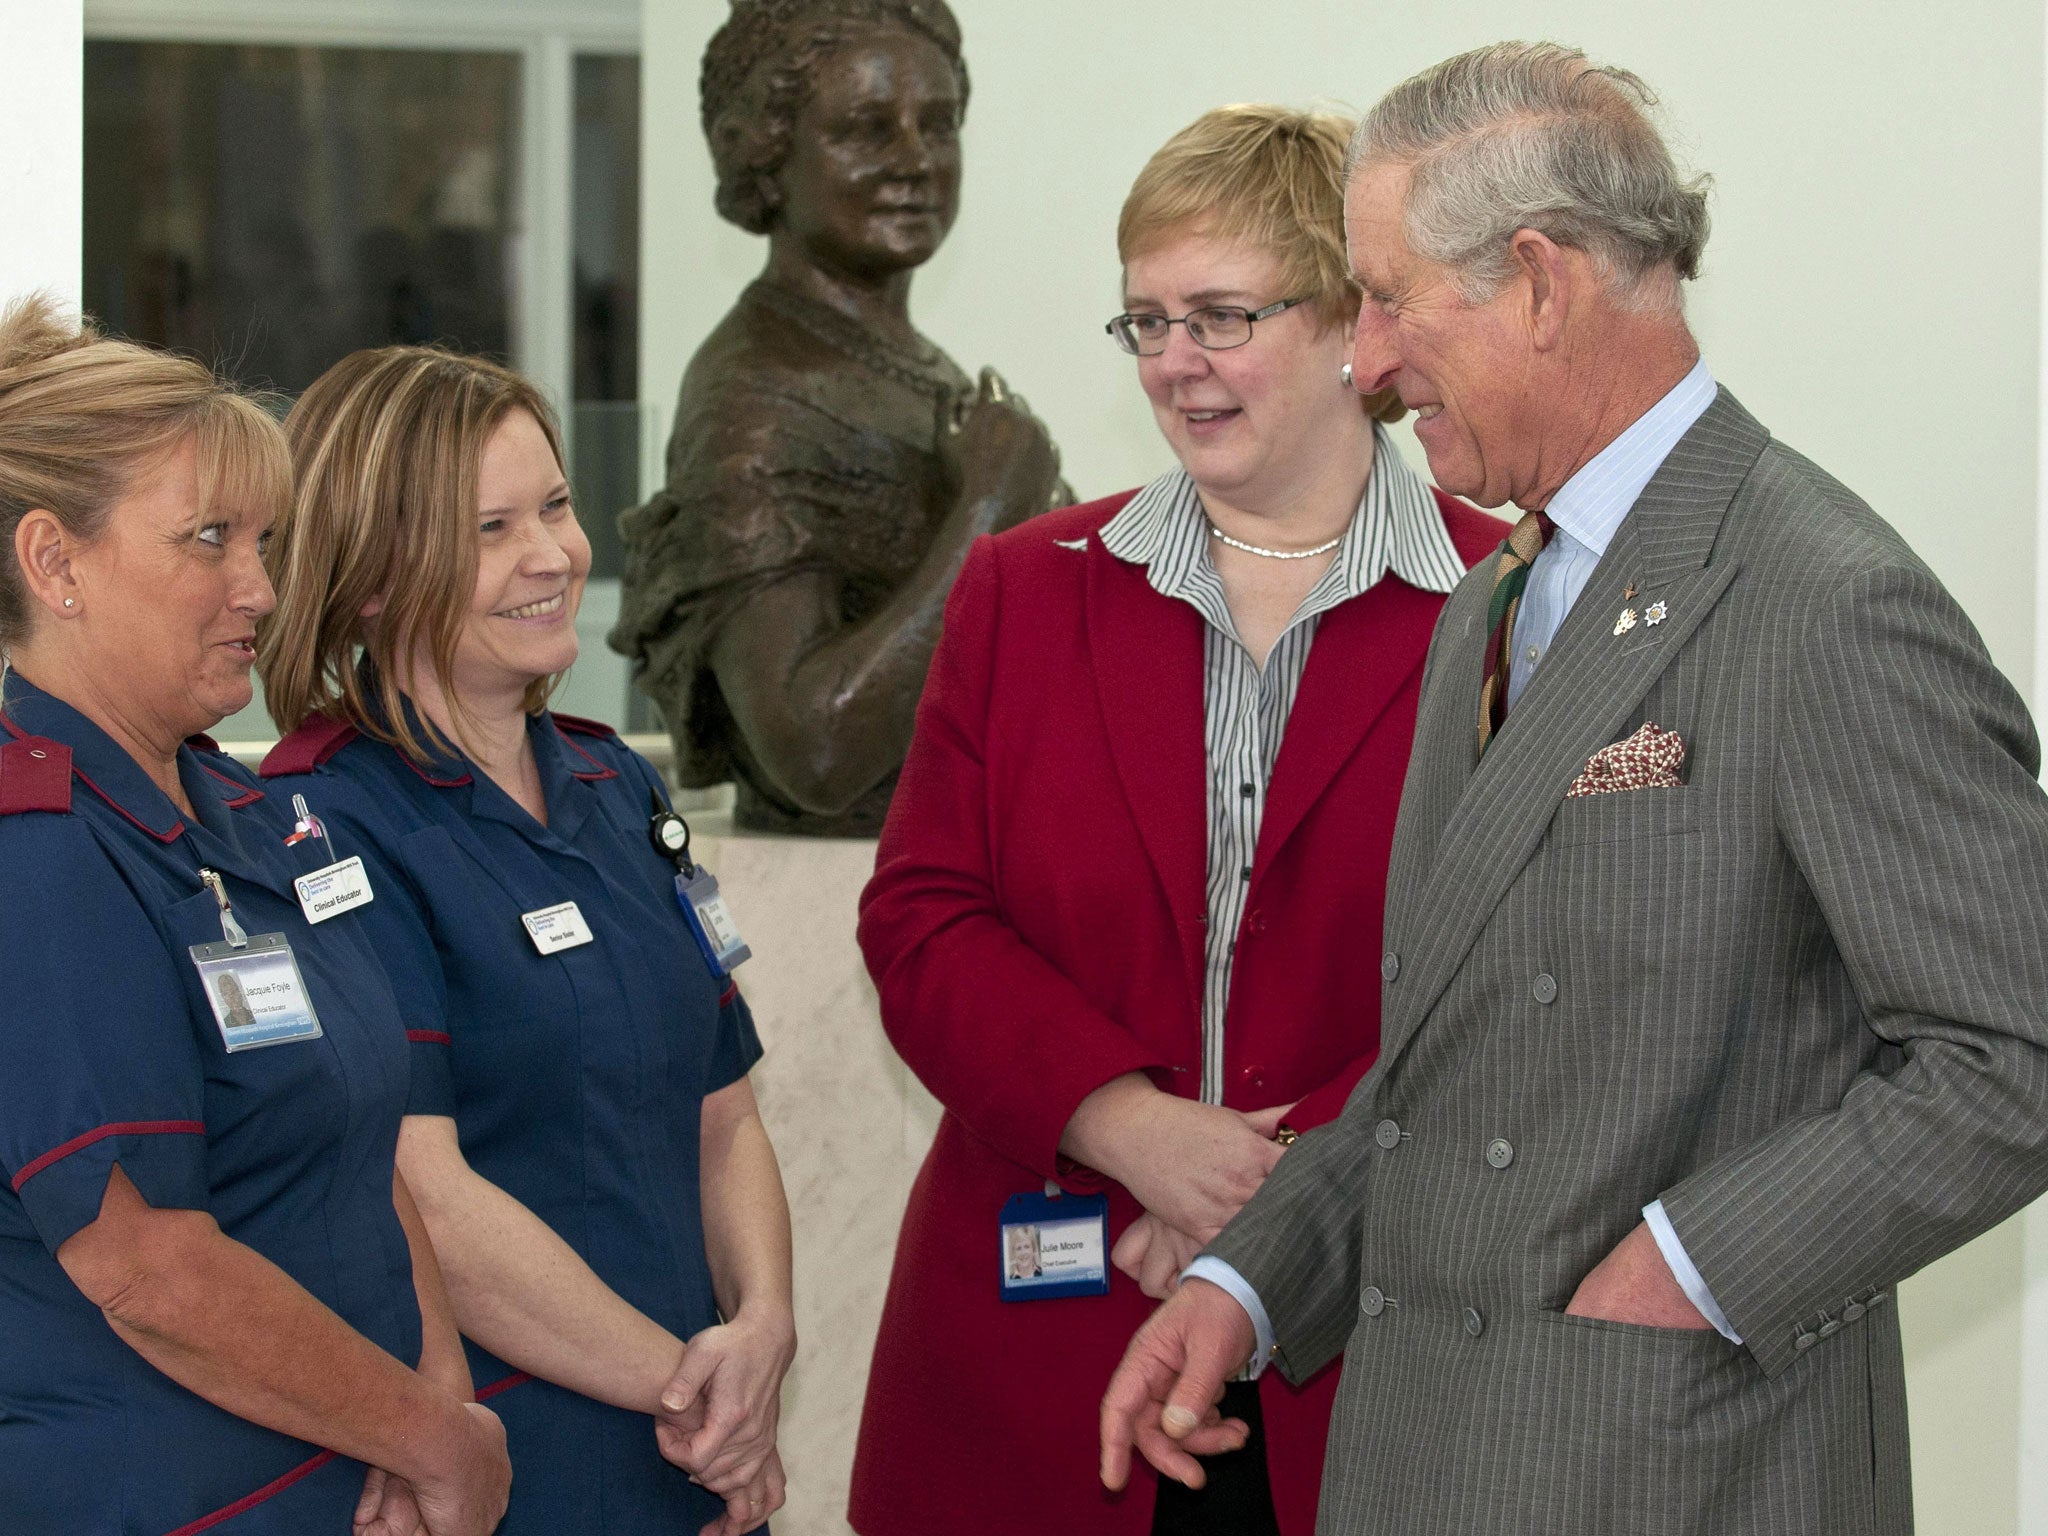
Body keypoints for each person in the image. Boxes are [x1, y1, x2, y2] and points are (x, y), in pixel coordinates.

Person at [1101, 43, 2048, 1536]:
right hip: (1429, 1459)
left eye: (1389, 298)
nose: (1364, 362)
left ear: (1538, 284)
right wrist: (1250, 1280)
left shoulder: (1826, 599)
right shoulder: (1492, 603)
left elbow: (2016, 1053)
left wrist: (1697, 1263)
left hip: (1674, 1467)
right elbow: (1439, 1069)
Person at [853, 106, 1500, 1536]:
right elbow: (921, 919)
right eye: (1144, 321)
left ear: (1353, 324)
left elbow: (1523, 976)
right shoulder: (1026, 590)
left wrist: (1270, 1186)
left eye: (1221, 316)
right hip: (1043, 1342)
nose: (1173, 365)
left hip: (1360, 1346)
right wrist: (1126, 1124)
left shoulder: (1506, 604)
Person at [257, 346, 795, 1536]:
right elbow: (425, 1197)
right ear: (376, 578)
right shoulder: (320, 822)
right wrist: (699, 1399)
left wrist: (763, 1332)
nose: (551, 556)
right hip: (514, 1457)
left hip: (696, 1437)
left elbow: (726, 1119)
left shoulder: (611, 785)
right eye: (490, 529)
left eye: (553, 506)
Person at [0, 298, 510, 1535]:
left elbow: (364, 1144)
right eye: (210, 540)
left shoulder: (247, 812)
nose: (262, 588)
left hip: (346, 1476)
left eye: (267, 541)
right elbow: (145, 1268)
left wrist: (426, 1418)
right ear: (54, 562)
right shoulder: (39, 848)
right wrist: (430, 1442)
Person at [610, 0, 1068, 836]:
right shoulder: (754, 396)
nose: (916, 160)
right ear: (768, 156)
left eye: (939, 123)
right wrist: (991, 509)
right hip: (836, 889)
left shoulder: (910, 363)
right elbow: (813, 749)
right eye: (865, 128)